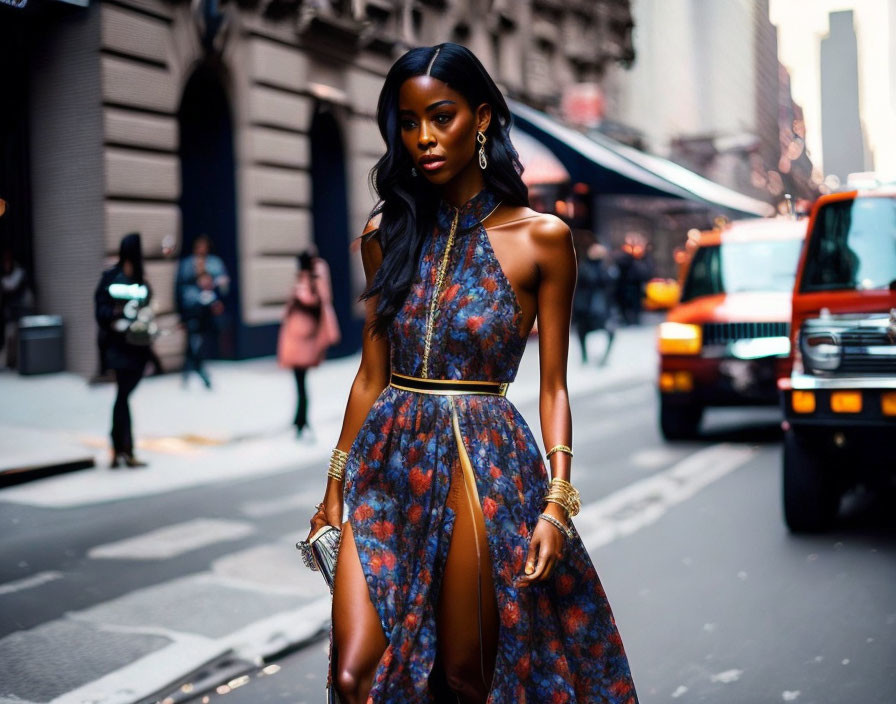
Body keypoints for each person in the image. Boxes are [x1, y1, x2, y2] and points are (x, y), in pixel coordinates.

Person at [304, 43, 638, 704]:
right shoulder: (385, 233)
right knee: (354, 675)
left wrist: (557, 500)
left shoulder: (541, 238)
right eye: (408, 122)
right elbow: (371, 376)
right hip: (386, 464)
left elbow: (554, 385)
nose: (423, 138)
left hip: (479, 461)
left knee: (463, 677)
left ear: (481, 118)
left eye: (442, 116)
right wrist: (334, 486)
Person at [94, 233, 155, 468]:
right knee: (122, 395)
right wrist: (115, 317)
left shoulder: (141, 281)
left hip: (138, 348)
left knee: (123, 396)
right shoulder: (111, 279)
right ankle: (123, 449)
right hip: (118, 347)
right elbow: (101, 311)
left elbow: (148, 309)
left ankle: (120, 447)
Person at [277, 250, 340, 439]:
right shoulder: (307, 282)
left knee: (301, 383)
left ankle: (302, 420)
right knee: (300, 383)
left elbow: (314, 304)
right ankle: (299, 419)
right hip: (298, 340)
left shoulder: (311, 284)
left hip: (302, 340)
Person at [176, 234, 229, 367]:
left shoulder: (214, 262)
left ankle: (197, 364)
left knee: (206, 336)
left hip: (210, 305)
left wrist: (214, 284)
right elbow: (179, 286)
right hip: (192, 306)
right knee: (193, 337)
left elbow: (224, 283)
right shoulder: (187, 263)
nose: (201, 249)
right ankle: (195, 366)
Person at [573, 238, 618, 365]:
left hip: (600, 308)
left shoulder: (606, 267)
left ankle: (602, 359)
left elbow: (610, 282)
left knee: (610, 332)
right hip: (586, 308)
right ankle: (584, 357)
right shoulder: (585, 267)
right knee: (582, 332)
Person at [180, 262, 223, 388]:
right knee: (193, 354)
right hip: (194, 328)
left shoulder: (211, 294)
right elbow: (188, 309)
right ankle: (200, 376)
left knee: (194, 354)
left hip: (204, 329)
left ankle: (189, 375)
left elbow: (215, 312)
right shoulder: (192, 293)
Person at [0, 250, 33, 370]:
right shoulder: (6, 274)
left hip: (21, 311)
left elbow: (11, 286)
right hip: (10, 312)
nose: (6, 266)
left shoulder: (19, 273)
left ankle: (20, 363)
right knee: (10, 337)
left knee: (19, 337)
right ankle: (10, 363)